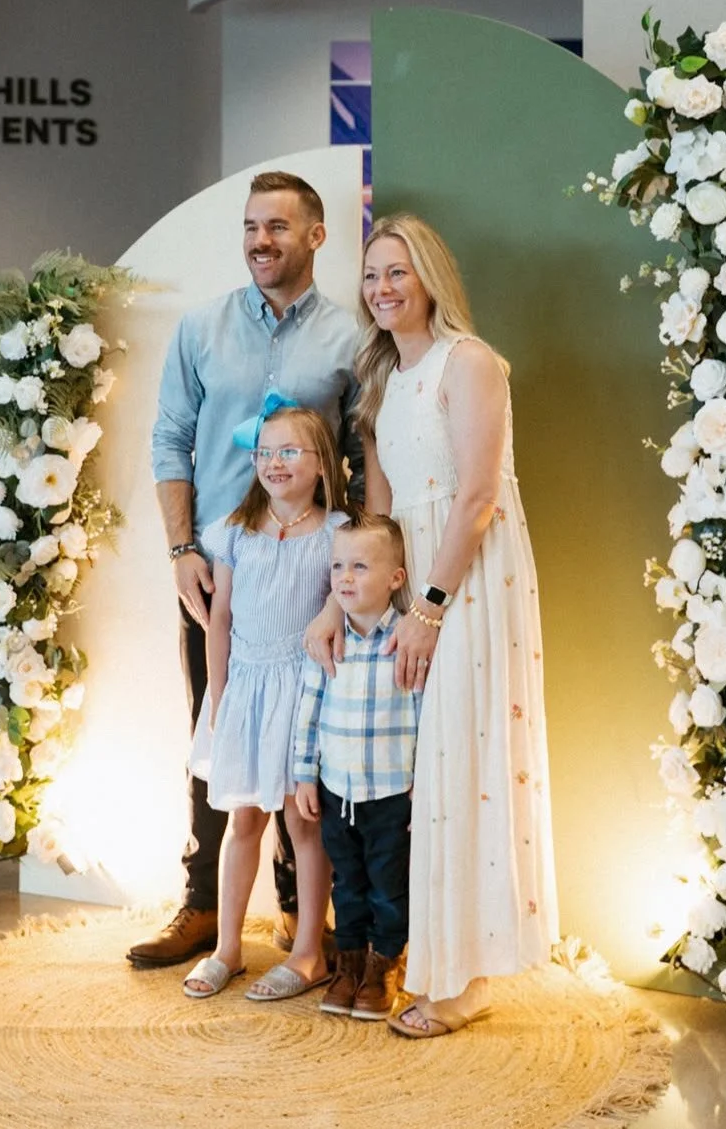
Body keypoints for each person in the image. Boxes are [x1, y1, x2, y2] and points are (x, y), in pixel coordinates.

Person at [309, 212, 557, 1038]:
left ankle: (465, 979)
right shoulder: (381, 382)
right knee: (420, 778)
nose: (382, 289)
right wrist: (339, 603)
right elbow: (377, 515)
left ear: (430, 280)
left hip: (466, 586)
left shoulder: (470, 362)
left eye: (397, 272)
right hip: (407, 595)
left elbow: (479, 496)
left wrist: (429, 608)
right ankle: (428, 955)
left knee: (463, 766)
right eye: (371, 275)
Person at [133, 171, 361, 969]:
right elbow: (169, 440)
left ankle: (305, 917)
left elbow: (360, 461)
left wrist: (351, 576)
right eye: (250, 226)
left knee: (313, 745)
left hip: (310, 579)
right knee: (216, 726)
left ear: (316, 236)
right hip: (218, 577)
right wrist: (179, 549)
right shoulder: (202, 327)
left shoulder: (347, 337)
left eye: (278, 226)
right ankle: (202, 908)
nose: (261, 241)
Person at [182, 405, 348, 1001]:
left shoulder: (335, 532)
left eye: (289, 452)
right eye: (265, 452)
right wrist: (219, 696)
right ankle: (227, 947)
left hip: (302, 695)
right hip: (246, 690)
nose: (274, 463)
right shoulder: (234, 530)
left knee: (304, 824)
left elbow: (340, 613)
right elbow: (219, 617)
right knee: (243, 819)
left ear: (321, 463)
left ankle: (308, 951)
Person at [293, 512, 419, 1021]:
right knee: (347, 884)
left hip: (390, 792)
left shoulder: (404, 645)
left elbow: (423, 715)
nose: (345, 577)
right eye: (338, 566)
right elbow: (309, 709)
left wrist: (424, 785)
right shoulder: (329, 642)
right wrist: (304, 774)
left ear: (395, 578)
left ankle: (383, 965)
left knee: (388, 885)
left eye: (360, 567)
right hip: (335, 788)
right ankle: (347, 964)